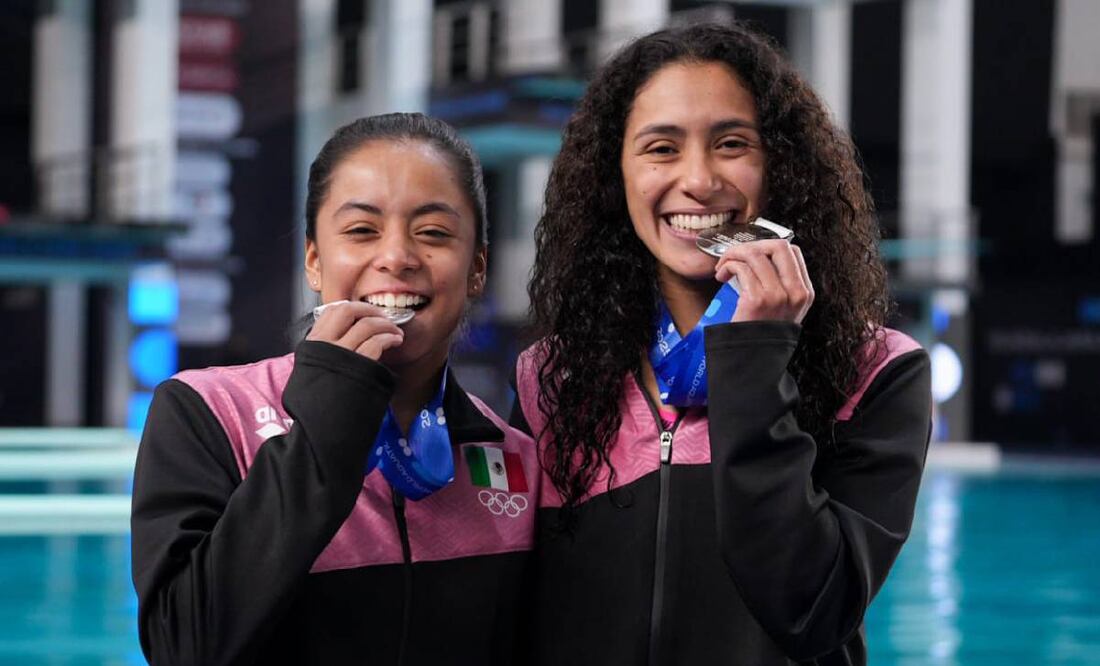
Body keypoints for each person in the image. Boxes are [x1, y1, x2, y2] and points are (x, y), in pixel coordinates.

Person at [511, 22, 932, 665]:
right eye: (660, 148)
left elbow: (811, 612)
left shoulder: (876, 372)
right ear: (614, 175)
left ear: (781, 167)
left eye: (732, 143)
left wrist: (756, 359)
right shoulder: (554, 376)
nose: (699, 180)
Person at [131, 113, 539, 665]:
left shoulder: (516, 458)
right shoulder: (209, 413)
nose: (396, 256)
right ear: (315, 261)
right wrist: (324, 430)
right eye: (362, 230)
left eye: (435, 233)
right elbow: (184, 648)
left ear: (477, 269)